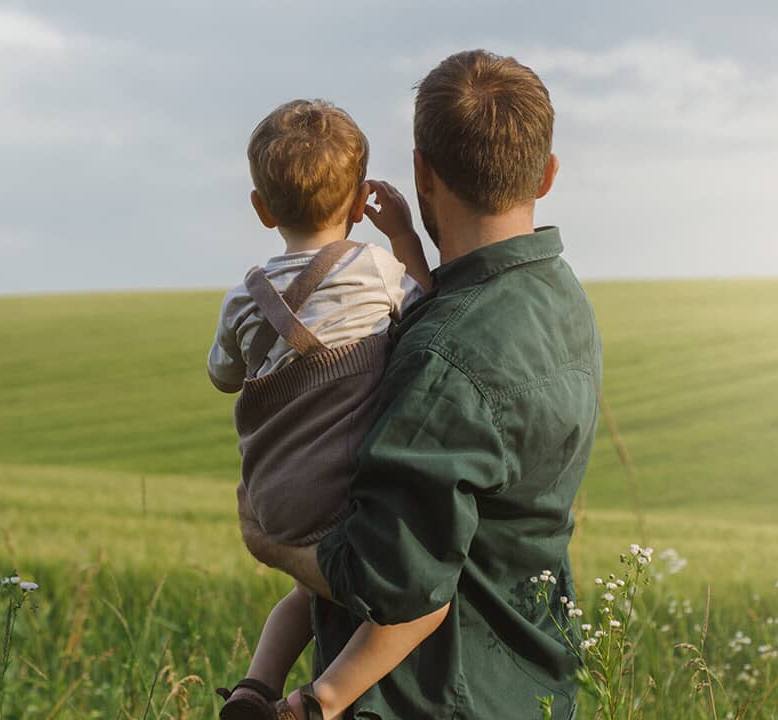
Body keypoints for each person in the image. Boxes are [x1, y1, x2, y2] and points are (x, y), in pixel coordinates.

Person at [237, 50, 603, 719]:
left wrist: (273, 545)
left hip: (428, 697)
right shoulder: (561, 299)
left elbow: (388, 580)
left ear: (421, 174)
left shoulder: (443, 356)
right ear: (547, 174)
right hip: (529, 687)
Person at [207, 98, 448, 720]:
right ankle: (317, 702)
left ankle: (253, 689)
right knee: (423, 602)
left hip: (272, 497)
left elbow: (222, 377)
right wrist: (403, 236)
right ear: (360, 200)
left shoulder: (242, 299)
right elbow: (429, 306)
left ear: (262, 209)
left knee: (305, 593)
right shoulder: (375, 269)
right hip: (341, 492)